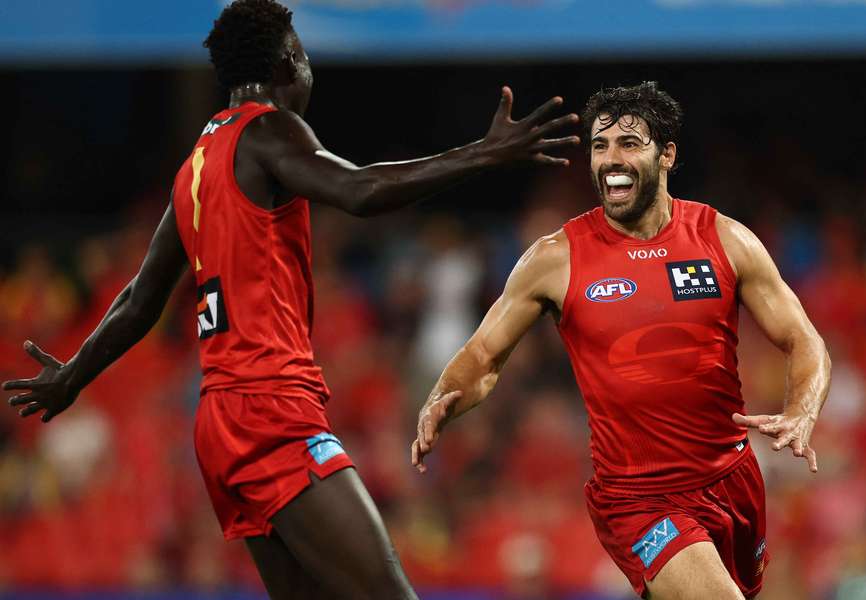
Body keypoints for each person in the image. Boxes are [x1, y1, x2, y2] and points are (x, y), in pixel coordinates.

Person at [1, 1, 580, 597]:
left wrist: (73, 376)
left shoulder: (196, 167)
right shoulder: (268, 129)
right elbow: (358, 190)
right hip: (270, 406)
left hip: (218, 420)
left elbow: (139, 300)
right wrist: (482, 154)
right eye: (304, 55)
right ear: (289, 61)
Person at [412, 81, 831, 599]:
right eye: (599, 145)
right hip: (637, 499)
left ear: (667, 155)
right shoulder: (555, 258)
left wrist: (801, 410)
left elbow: (804, 339)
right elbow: (482, 354)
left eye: (629, 144)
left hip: (734, 483)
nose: (611, 158)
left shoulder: (724, 239)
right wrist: (442, 397)